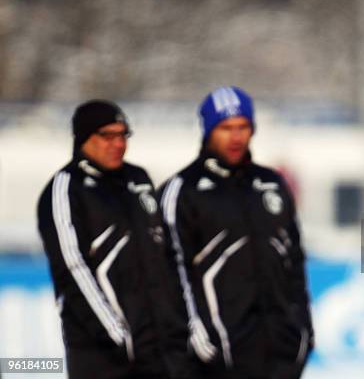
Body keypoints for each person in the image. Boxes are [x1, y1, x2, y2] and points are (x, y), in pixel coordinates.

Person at [159, 86, 313, 379]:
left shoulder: (271, 184)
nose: (236, 136)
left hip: (279, 356)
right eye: (226, 127)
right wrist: (195, 335)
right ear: (208, 130)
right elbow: (167, 274)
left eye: (243, 127)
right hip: (214, 360)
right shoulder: (181, 191)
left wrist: (303, 331)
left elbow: (294, 263)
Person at [37, 100, 193, 379]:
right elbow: (73, 269)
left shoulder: (138, 179)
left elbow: (166, 256)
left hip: (163, 351)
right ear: (84, 138)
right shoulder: (66, 188)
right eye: (107, 135)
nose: (117, 143)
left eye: (122, 135)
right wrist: (119, 336)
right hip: (105, 358)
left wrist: (179, 324)